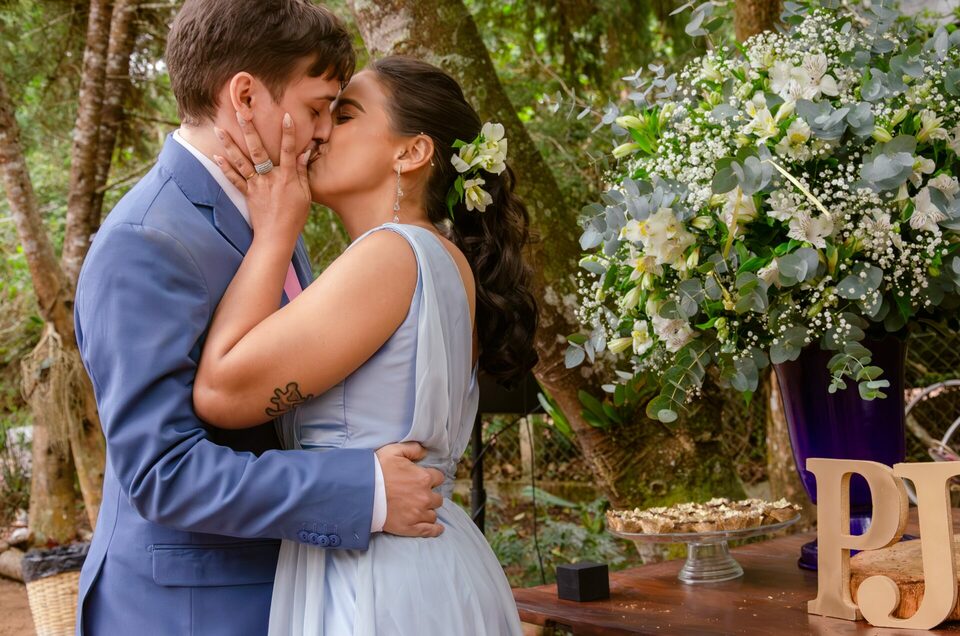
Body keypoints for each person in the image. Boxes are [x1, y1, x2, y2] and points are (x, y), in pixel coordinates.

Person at [72, 3, 445, 634]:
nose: (325, 131)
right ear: (245, 97)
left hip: (292, 591)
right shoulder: (146, 240)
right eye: (316, 107)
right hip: (190, 609)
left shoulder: (276, 211)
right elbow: (161, 474)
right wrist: (365, 490)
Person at [194, 55, 539, 634]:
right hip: (418, 558)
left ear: (411, 153)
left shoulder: (390, 254)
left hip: (375, 578)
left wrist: (276, 230)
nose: (321, 130)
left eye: (345, 115)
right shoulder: (433, 255)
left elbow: (220, 391)